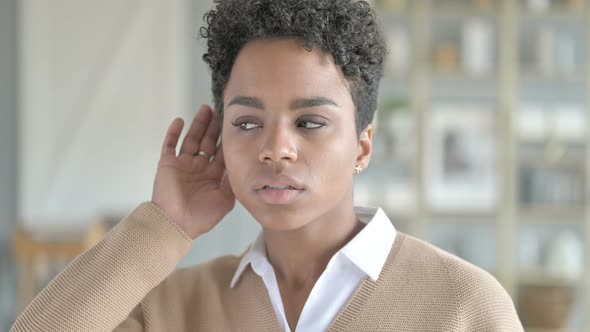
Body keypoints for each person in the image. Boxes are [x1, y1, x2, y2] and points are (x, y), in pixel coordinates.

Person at [11, 0, 524, 331]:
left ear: (363, 147)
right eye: (249, 123)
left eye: (310, 123)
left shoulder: (465, 307)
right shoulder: (175, 310)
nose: (275, 149)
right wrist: (164, 225)